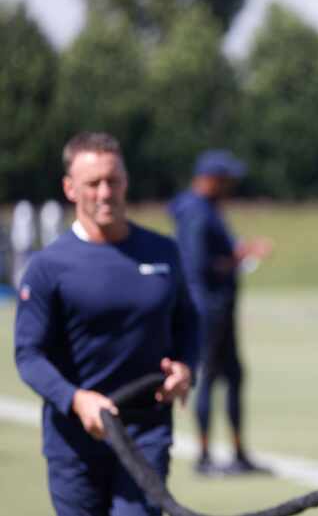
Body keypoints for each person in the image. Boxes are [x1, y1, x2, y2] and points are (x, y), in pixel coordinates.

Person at [14, 132, 199, 516]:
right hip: (74, 442)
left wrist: (186, 369)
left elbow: (189, 324)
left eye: (112, 180)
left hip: (145, 434)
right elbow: (28, 355)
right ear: (70, 189)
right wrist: (76, 400)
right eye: (92, 183)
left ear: (126, 182)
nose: (104, 192)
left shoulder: (164, 252)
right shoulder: (49, 267)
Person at [168, 149, 272, 475]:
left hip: (218, 307)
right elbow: (199, 264)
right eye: (226, 180)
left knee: (234, 376)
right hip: (208, 308)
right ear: (211, 179)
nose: (231, 186)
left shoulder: (205, 208)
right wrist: (241, 255)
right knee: (210, 378)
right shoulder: (198, 212)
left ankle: (238, 453)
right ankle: (203, 457)